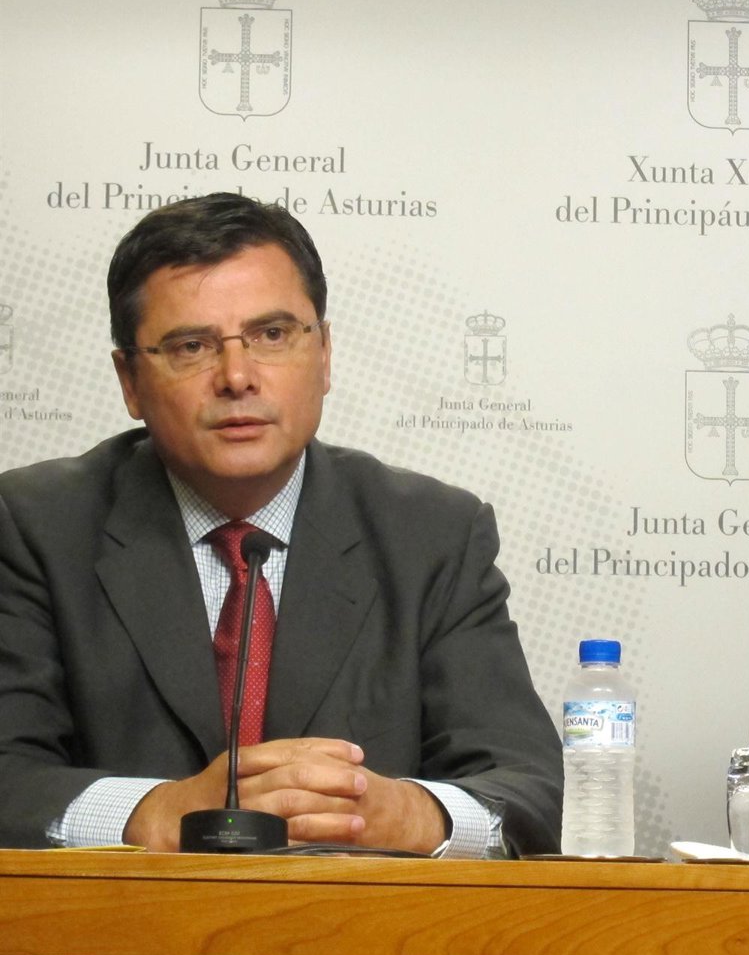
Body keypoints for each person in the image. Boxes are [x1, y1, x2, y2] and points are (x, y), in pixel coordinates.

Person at [0, 192, 562, 856]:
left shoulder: (433, 535)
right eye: (190, 346)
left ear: (323, 355)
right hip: (116, 923)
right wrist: (152, 812)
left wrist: (408, 814)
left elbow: (526, 792)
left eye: (271, 335)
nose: (237, 377)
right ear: (130, 380)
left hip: (358, 922)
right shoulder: (34, 527)